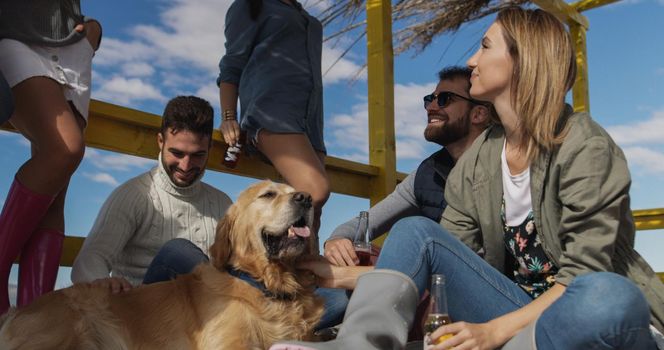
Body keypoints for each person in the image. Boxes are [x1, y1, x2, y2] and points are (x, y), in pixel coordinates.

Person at [271, 7, 664, 350]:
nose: (473, 59)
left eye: (486, 46)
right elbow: (435, 257)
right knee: (415, 231)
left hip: (575, 320)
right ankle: (359, 344)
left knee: (608, 297)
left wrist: (490, 333)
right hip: (518, 319)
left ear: (523, 60)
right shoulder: (480, 157)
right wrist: (339, 274)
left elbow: (582, 276)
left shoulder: (584, 145)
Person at [324, 66, 491, 267]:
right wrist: (336, 241)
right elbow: (366, 223)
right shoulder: (428, 173)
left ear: (478, 114)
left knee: (413, 229)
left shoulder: (503, 168)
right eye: (430, 99)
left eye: (444, 99)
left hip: (489, 289)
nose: (431, 108)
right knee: (330, 291)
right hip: (433, 281)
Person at [0, 1, 102, 314]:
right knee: (65, 148)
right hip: (14, 35)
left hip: (72, 42)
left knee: (55, 196)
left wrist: (94, 32)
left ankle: (35, 317)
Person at [71, 96, 233, 291]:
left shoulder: (222, 203)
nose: (185, 165)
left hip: (201, 313)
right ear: (160, 141)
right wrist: (102, 281)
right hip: (143, 313)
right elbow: (88, 261)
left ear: (209, 149)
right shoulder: (135, 194)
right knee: (178, 253)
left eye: (197, 155)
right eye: (177, 153)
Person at [217, 0, 329, 253]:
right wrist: (228, 117)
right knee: (315, 191)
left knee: (313, 218)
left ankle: (305, 283)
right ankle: (257, 258)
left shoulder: (303, 14)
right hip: (271, 112)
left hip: (310, 120)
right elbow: (232, 64)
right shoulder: (249, 6)